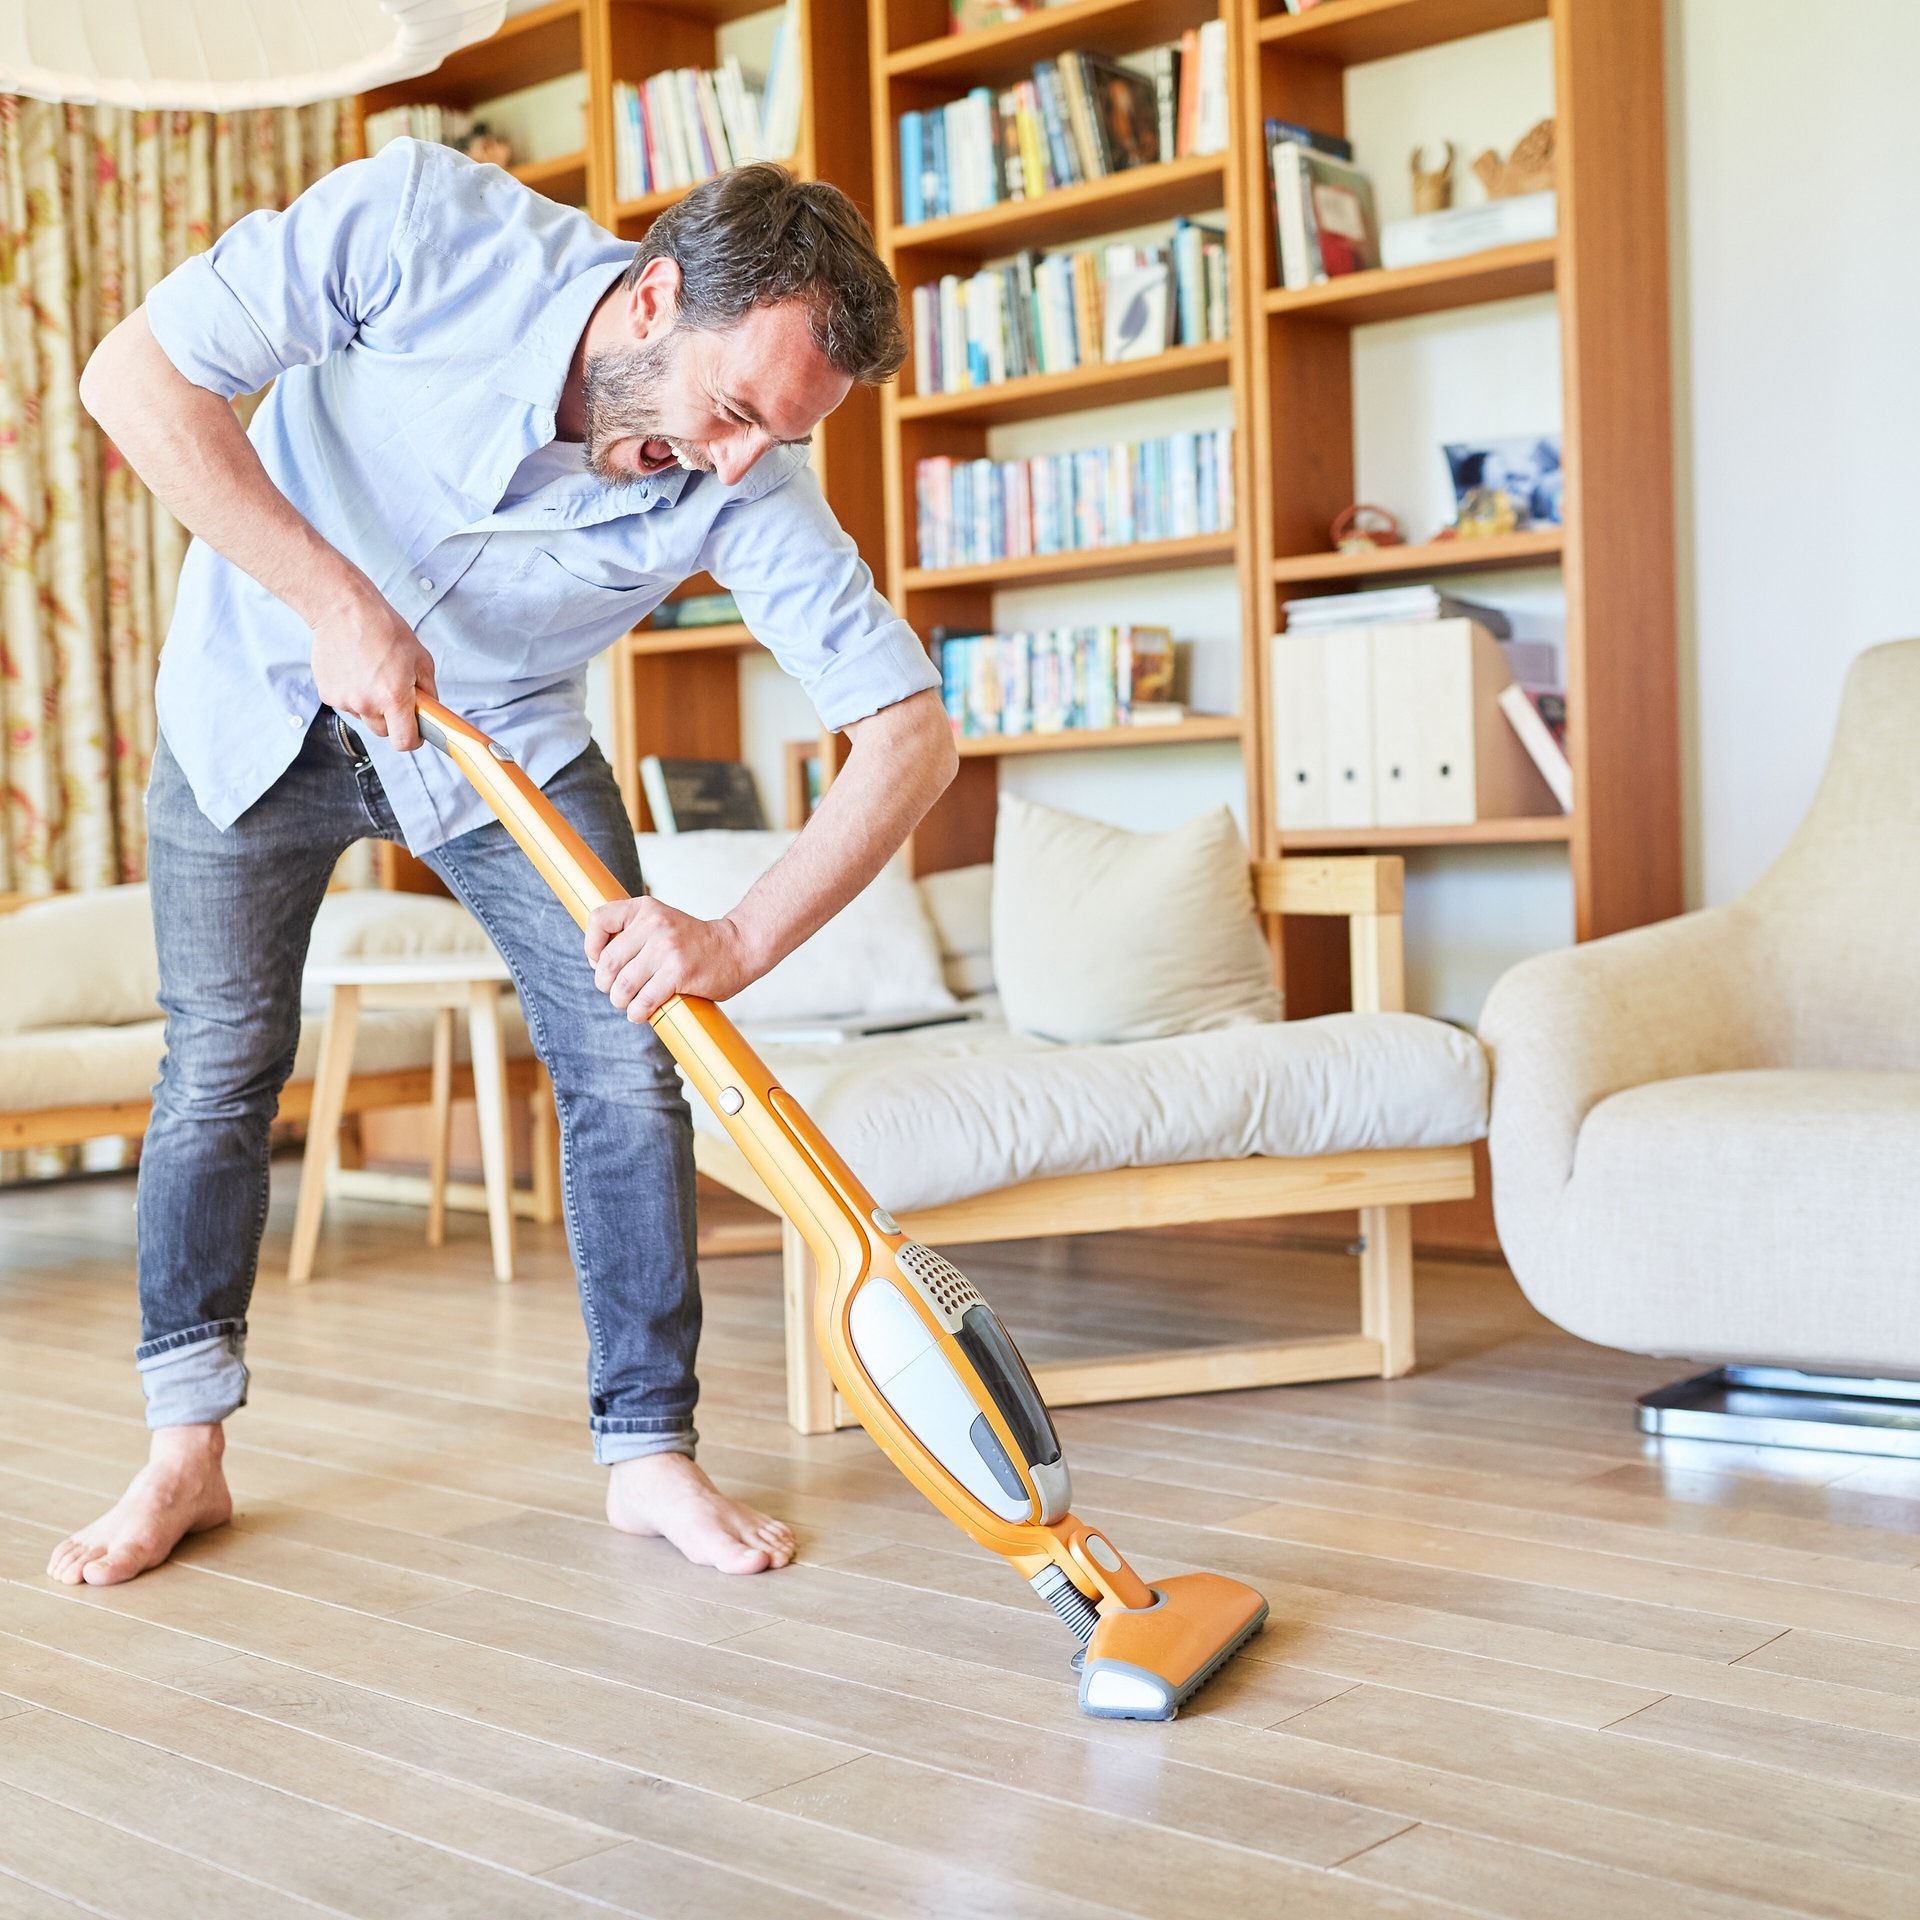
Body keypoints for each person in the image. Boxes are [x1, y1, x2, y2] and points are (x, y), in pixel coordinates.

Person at [45, 141, 956, 1588]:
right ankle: (184, 1454)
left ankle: (649, 1452)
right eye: (728, 412)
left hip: (501, 749)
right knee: (219, 1063)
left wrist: (734, 940)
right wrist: (332, 600)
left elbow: (910, 732)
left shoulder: (748, 476)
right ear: (654, 298)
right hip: (252, 689)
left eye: (770, 441)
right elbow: (132, 380)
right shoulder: (423, 225)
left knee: (625, 1050)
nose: (732, 467)